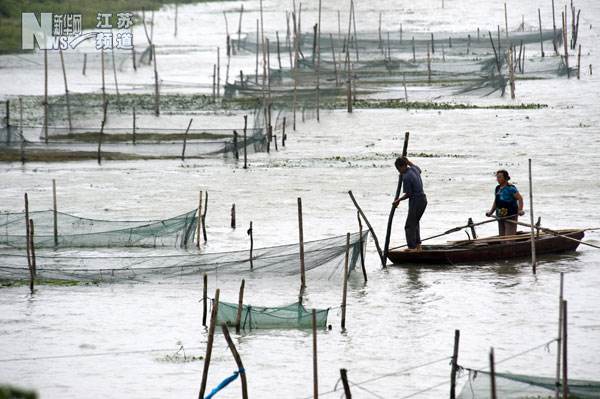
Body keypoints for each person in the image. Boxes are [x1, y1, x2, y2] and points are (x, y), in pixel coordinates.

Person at [393, 157, 427, 252]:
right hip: (423, 200)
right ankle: (418, 246)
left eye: (399, 169)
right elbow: (419, 170)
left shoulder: (406, 177)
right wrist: (409, 162)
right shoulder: (413, 169)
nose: (399, 171)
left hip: (416, 201)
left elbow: (409, 194)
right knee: (415, 223)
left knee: (409, 226)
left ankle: (412, 248)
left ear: (403, 166)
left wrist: (398, 200)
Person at [485, 170, 525, 236]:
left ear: (505, 178)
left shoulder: (511, 188)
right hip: (500, 216)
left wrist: (520, 210)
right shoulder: (497, 188)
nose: (498, 179)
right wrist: (491, 212)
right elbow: (496, 201)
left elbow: (520, 198)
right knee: (502, 237)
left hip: (510, 215)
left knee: (509, 238)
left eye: (500, 177)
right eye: (497, 177)